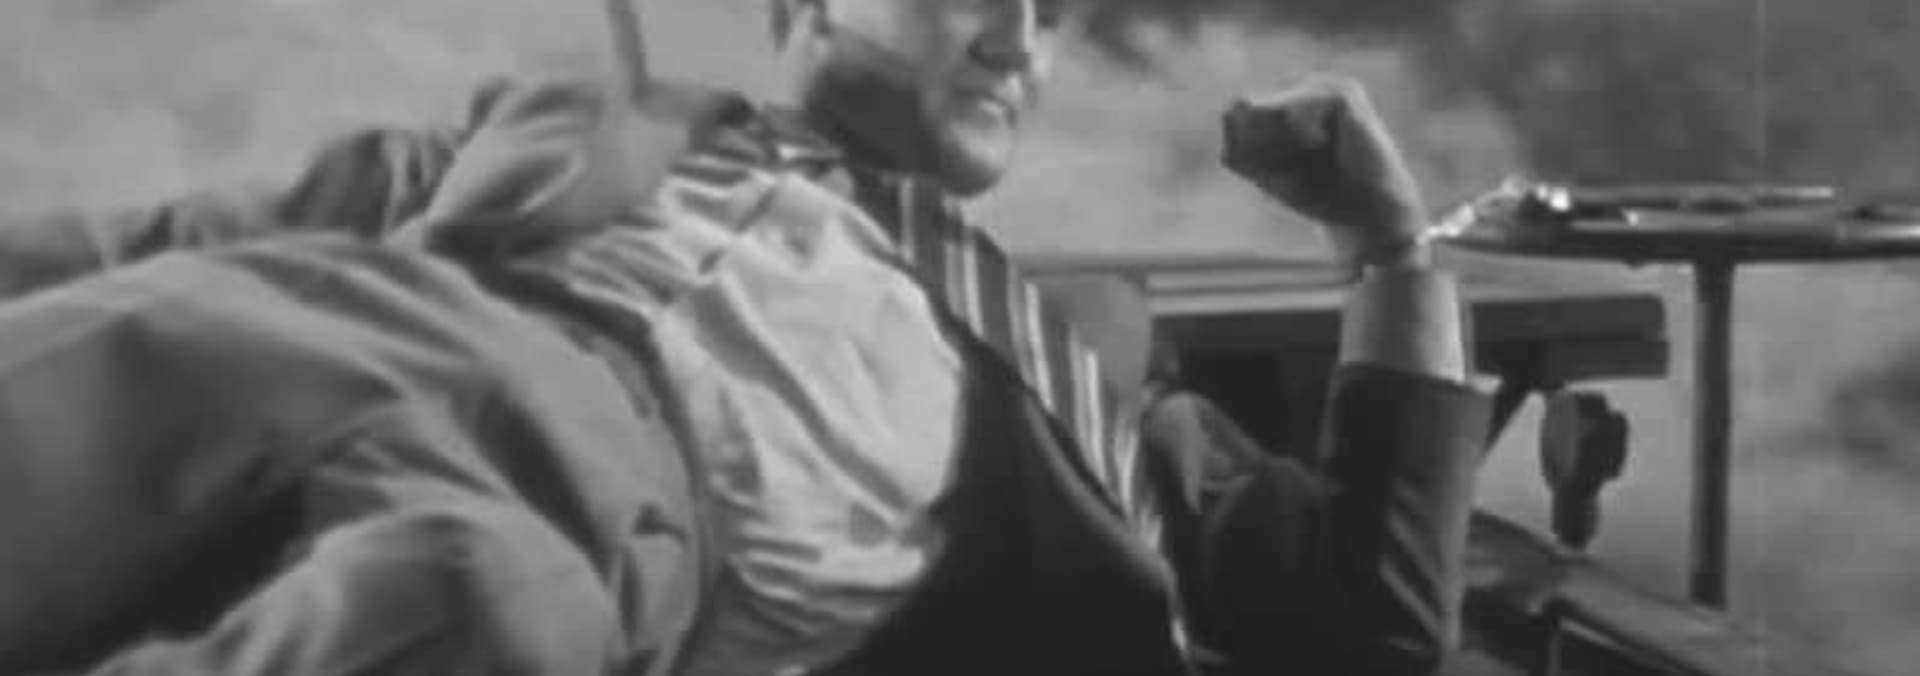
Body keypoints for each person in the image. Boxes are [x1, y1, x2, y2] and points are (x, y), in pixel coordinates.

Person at [0, 0, 1490, 674]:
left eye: (1049, 9)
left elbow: (1372, 622)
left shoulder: (1071, 370)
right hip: (393, 322)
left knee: (476, 609)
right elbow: (180, 243)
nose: (1019, 39)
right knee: (122, 363)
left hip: (610, 531)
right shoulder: (585, 132)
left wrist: (1391, 251)